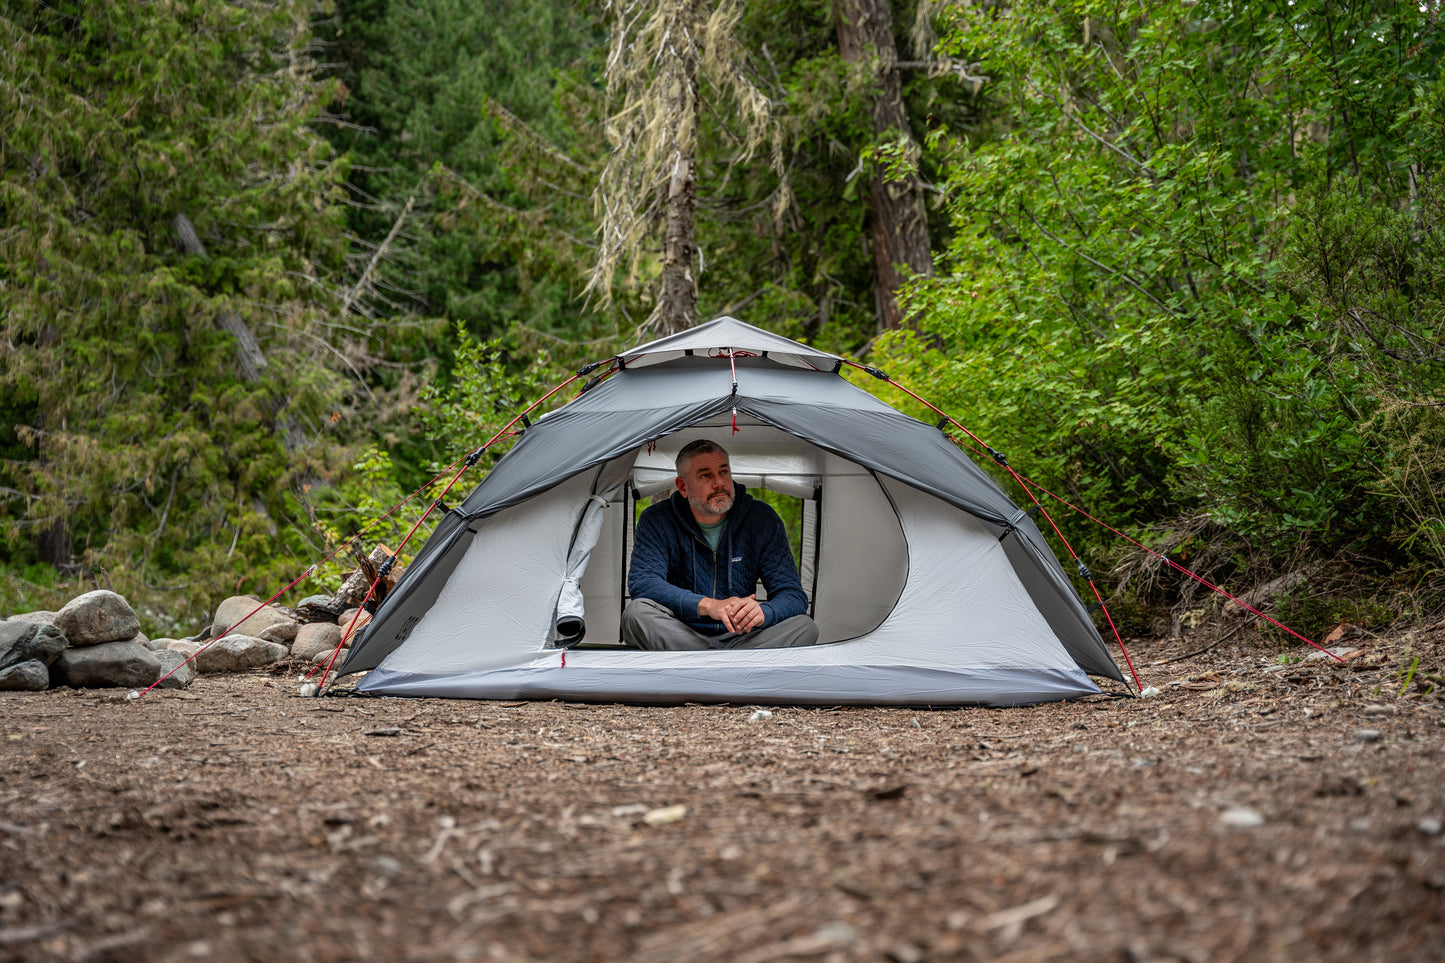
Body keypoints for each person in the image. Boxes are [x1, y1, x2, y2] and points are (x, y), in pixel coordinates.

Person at [622, 439, 821, 650]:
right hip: (681, 633)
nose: (719, 483)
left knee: (804, 626)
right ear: (683, 487)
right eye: (706, 475)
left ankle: (701, 669)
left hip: (743, 637)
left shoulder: (762, 519)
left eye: (724, 472)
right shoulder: (657, 519)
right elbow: (643, 583)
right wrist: (708, 605)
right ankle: (729, 671)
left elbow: (792, 594)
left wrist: (764, 612)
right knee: (636, 614)